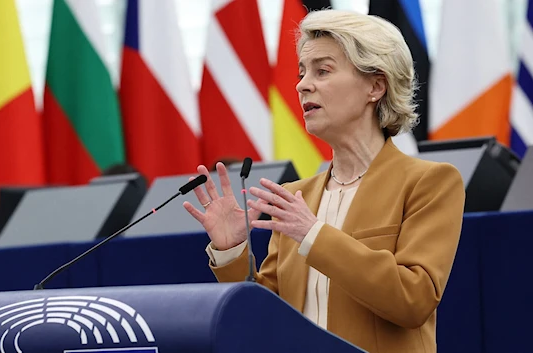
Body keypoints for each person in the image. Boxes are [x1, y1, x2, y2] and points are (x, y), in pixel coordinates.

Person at [183, 9, 465, 353]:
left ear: (375, 86)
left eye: (323, 71)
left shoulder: (430, 183)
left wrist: (313, 234)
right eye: (302, 72)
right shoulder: (295, 197)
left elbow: (413, 299)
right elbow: (266, 318)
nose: (302, 84)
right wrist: (232, 253)